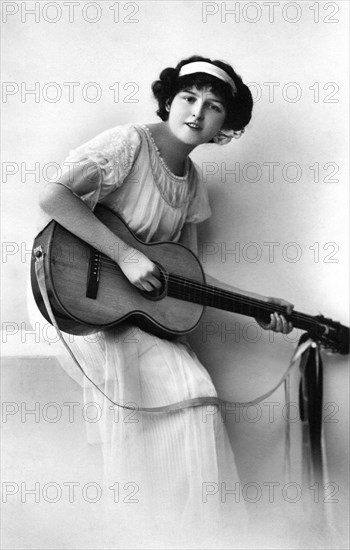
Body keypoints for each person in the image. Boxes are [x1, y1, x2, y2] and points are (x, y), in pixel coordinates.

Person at [31, 55, 293, 548]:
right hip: (66, 294)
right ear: (170, 100)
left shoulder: (192, 183)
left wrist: (260, 303)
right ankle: (139, 531)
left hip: (122, 309)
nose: (198, 112)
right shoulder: (129, 144)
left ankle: (185, 534)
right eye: (189, 98)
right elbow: (53, 198)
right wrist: (126, 256)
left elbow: (188, 275)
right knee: (178, 387)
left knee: (193, 388)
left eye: (214, 107)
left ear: (225, 125)